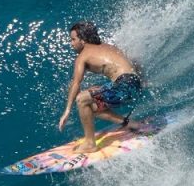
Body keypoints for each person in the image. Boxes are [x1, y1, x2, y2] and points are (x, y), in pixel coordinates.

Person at [57, 21, 143, 153]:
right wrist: (142, 81)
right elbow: (134, 62)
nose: (71, 43)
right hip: (134, 83)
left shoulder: (83, 56)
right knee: (91, 106)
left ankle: (90, 144)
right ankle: (130, 123)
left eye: (73, 39)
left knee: (82, 99)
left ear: (83, 40)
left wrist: (67, 110)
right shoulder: (109, 47)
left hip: (124, 85)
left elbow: (76, 83)